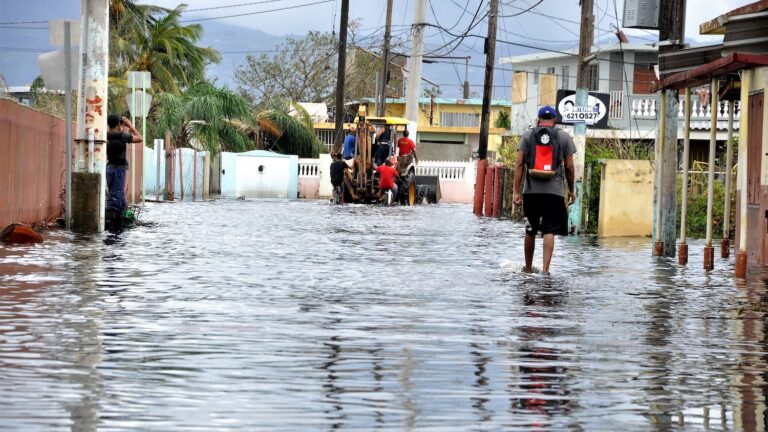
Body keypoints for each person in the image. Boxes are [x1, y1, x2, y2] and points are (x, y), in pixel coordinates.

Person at [513, 106, 576, 274]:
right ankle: (546, 271)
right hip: (554, 193)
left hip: (531, 191)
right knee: (549, 230)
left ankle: (527, 269)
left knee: (530, 230)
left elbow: (519, 163)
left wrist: (516, 192)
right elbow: (569, 167)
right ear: (554, 119)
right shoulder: (563, 136)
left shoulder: (528, 135)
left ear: (538, 119)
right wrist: (571, 190)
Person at [106, 114, 142, 215]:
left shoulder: (105, 135)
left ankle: (118, 216)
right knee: (116, 197)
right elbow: (139, 138)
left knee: (115, 195)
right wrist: (130, 126)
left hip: (109, 169)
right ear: (118, 124)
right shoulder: (123, 136)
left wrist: (120, 127)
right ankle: (114, 220)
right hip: (119, 170)